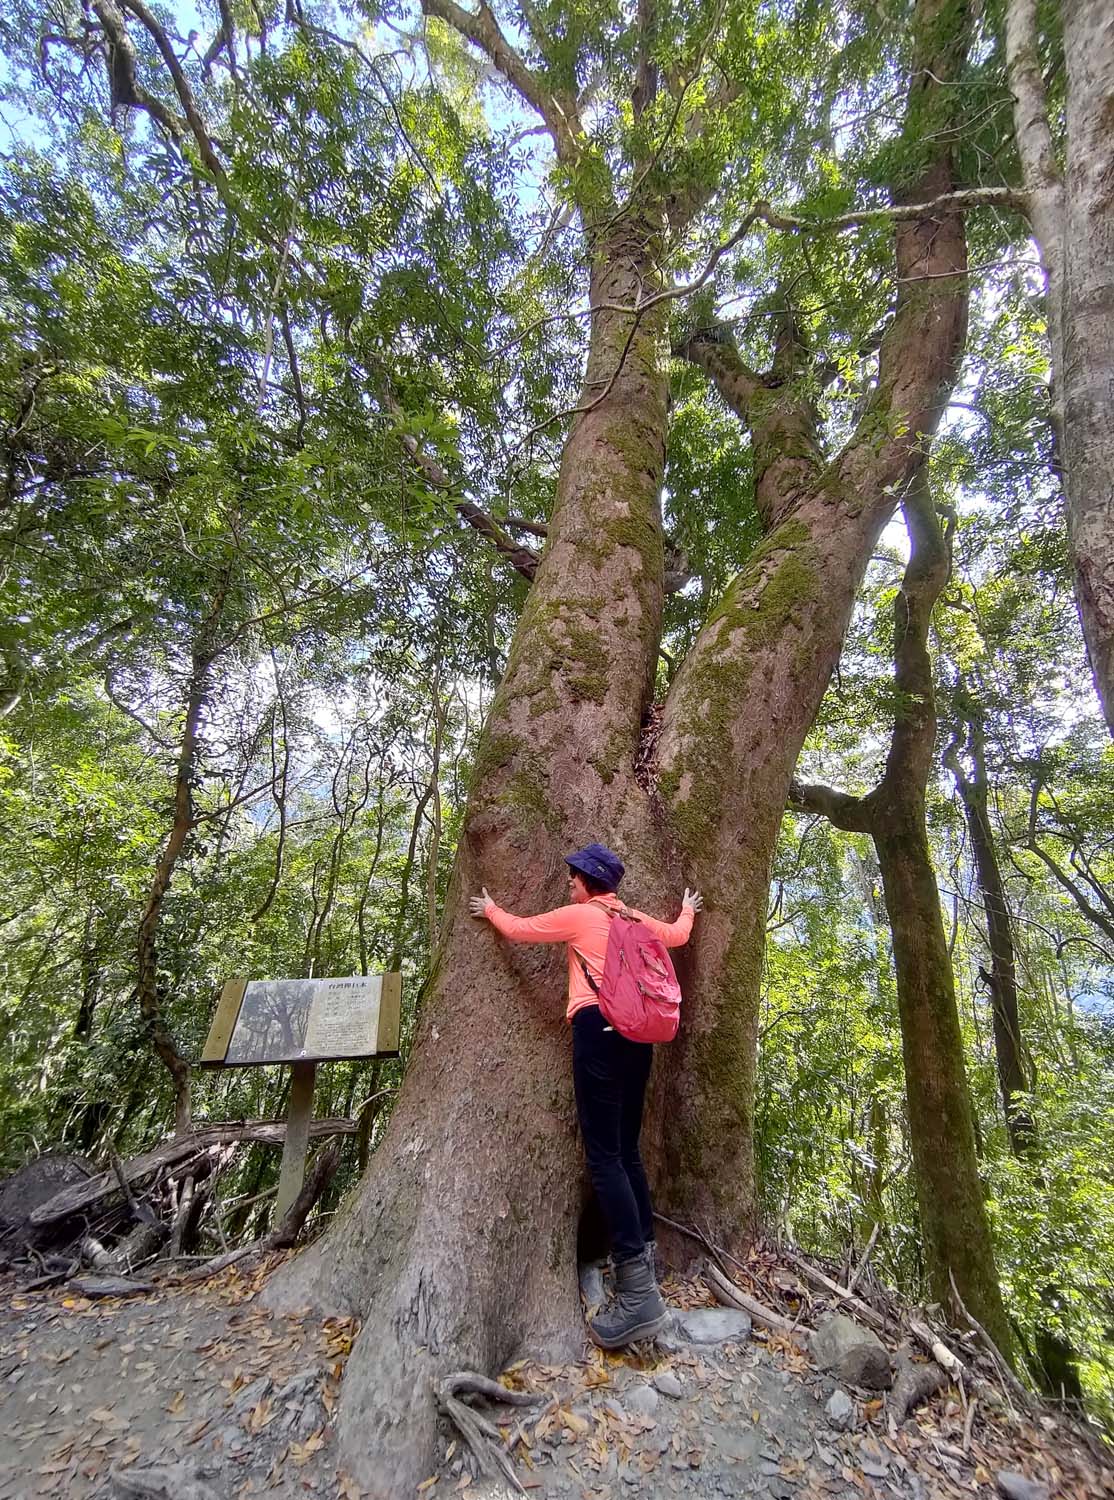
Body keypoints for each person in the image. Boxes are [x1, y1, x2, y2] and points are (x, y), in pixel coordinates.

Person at [469, 842, 702, 1347]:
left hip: (598, 1029)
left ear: (586, 883)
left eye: (573, 877)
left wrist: (488, 909)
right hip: (639, 1037)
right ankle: (644, 1265)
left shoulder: (579, 916)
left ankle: (639, 1297)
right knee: (627, 1154)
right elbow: (679, 936)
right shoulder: (637, 919)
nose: (569, 883)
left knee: (605, 1160)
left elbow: (521, 929)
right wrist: (687, 908)